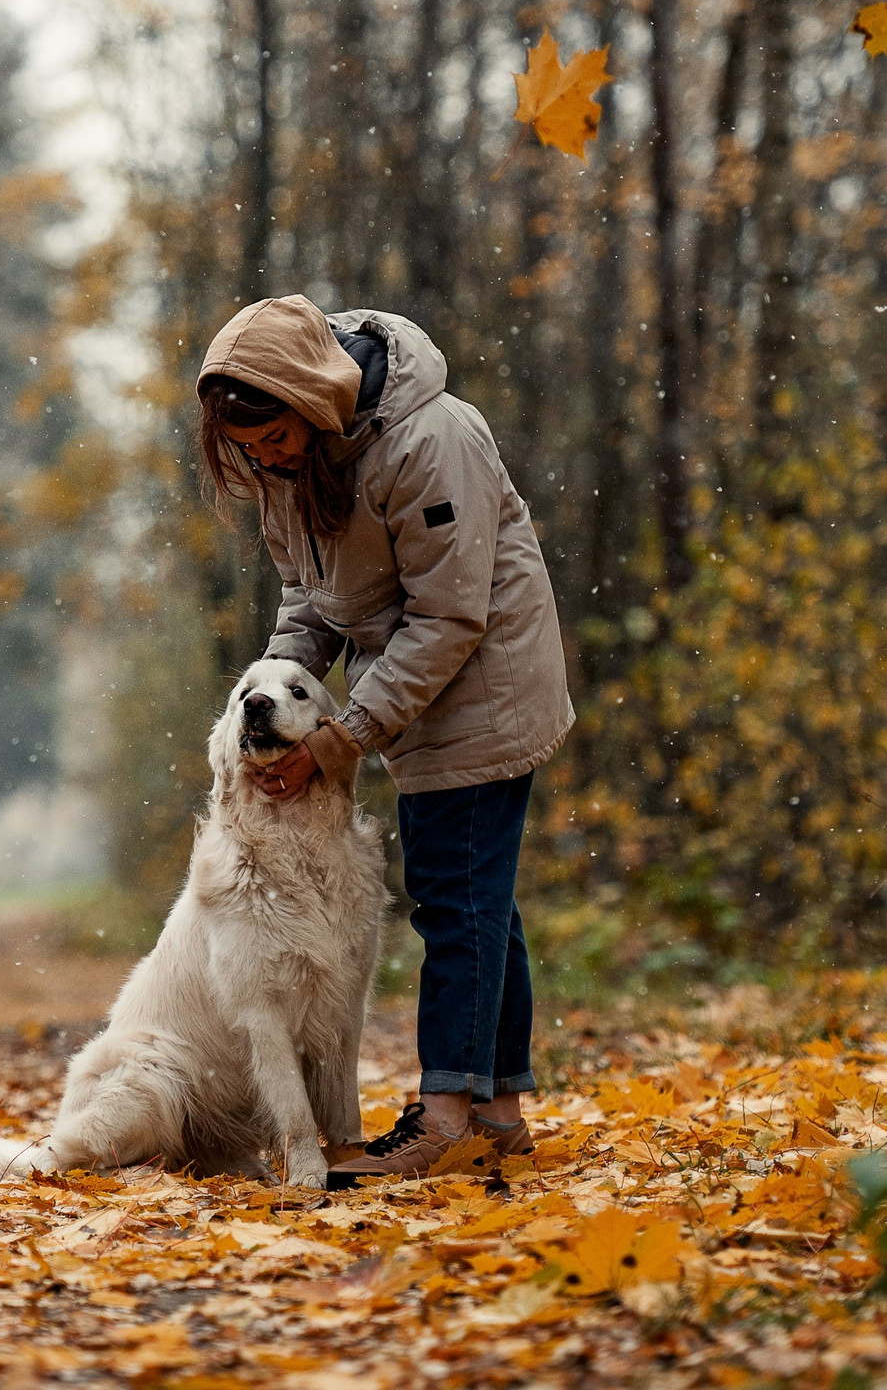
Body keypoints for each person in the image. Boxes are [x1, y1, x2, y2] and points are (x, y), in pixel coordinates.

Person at [195, 295, 573, 1185]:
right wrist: (280, 693)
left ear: (311, 394)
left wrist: (341, 737)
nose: (263, 457)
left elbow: (449, 617)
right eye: (245, 448)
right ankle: (498, 1118)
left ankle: (446, 1121)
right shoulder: (296, 462)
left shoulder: (427, 440)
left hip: (483, 684)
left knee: (455, 902)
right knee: (483, 903)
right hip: (419, 687)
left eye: (271, 437)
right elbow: (307, 601)